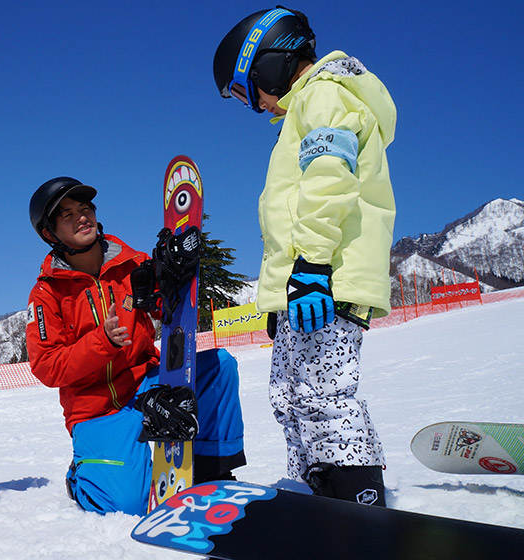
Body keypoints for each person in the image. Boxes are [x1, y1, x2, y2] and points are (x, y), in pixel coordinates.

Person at [213, 7, 396, 507]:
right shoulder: (303, 110)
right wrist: (277, 297)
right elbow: (288, 214)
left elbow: (328, 180)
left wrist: (313, 266)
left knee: (323, 398)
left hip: (326, 280)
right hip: (303, 287)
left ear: (267, 63)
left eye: (250, 93)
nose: (259, 107)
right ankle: (312, 490)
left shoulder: (323, 96)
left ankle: (357, 498)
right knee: (291, 400)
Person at [25, 177, 246, 515]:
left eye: (85, 209)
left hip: (148, 388)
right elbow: (48, 366)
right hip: (97, 411)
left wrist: (173, 277)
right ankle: (83, 473)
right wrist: (103, 342)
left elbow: (174, 313)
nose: (81, 217)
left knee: (220, 367)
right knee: (127, 502)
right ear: (49, 233)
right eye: (67, 214)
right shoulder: (46, 294)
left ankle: (212, 467)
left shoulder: (134, 263)